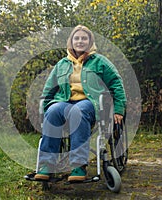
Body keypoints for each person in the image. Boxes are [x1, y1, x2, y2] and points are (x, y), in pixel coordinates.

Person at [34, 25, 126, 182]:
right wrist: (44, 110)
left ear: (90, 41)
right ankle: (46, 166)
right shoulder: (62, 64)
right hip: (65, 102)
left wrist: (118, 109)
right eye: (77, 38)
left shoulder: (100, 62)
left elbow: (116, 84)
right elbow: (49, 89)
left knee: (78, 111)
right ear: (71, 41)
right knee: (53, 110)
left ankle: (78, 166)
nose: (80, 41)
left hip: (90, 103)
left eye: (84, 38)